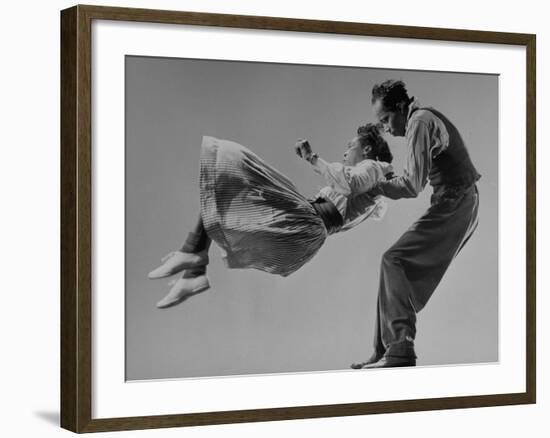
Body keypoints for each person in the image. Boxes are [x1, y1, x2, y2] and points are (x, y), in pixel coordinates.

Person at [148, 124, 394, 309]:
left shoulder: (372, 167)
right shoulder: (375, 188)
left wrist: (312, 158)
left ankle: (192, 256)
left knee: (233, 166)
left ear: (367, 149)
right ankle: (193, 271)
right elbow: (368, 201)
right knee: (226, 195)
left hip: (307, 220)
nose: (345, 152)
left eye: (350, 146)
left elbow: (349, 183)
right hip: (306, 231)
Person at [351, 80, 481, 369]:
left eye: (385, 119)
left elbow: (411, 185)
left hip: (458, 201)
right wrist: (382, 184)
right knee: (392, 267)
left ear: (400, 107)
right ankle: (385, 348)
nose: (384, 128)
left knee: (393, 260)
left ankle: (399, 350)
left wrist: (374, 185)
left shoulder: (419, 122)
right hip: (456, 201)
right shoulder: (420, 120)